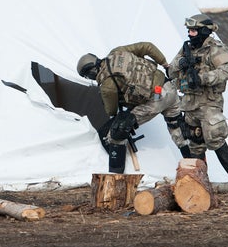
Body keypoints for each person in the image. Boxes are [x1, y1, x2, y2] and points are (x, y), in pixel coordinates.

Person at [77, 42, 190, 174]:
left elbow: (111, 111)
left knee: (116, 132)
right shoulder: (117, 51)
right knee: (178, 130)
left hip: (157, 99)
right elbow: (148, 47)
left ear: (91, 72)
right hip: (169, 87)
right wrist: (164, 64)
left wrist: (116, 100)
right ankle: (196, 167)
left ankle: (116, 175)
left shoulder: (107, 85)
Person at [167, 14, 228, 187]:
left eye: (194, 30)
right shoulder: (186, 49)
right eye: (189, 30)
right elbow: (171, 71)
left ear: (204, 31)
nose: (190, 34)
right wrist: (180, 64)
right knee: (194, 144)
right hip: (190, 103)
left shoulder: (215, 48)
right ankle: (199, 183)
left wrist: (203, 78)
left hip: (209, 102)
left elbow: (227, 71)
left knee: (215, 137)